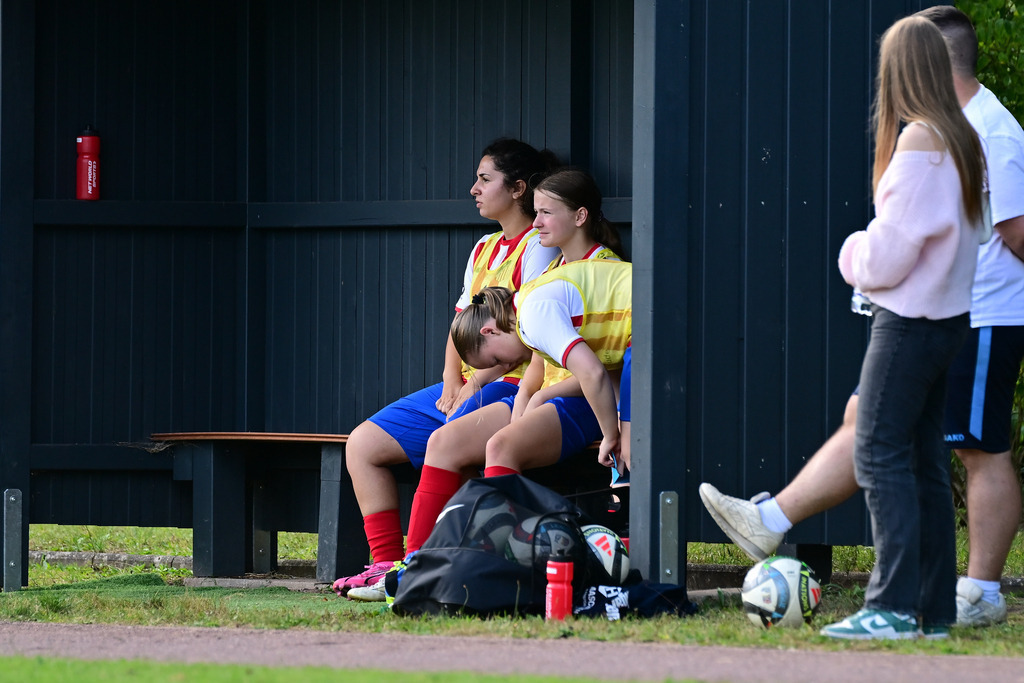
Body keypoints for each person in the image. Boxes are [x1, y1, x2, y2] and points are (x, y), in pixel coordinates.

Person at [698, 6, 1024, 629]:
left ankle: (891, 606)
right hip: (948, 320)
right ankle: (927, 610)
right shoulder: (960, 137)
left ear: (901, 70)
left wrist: (851, 252)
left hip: (910, 322)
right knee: (922, 457)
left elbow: (891, 250)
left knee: (879, 454)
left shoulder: (923, 139)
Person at [345, 169, 628, 601]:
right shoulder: (551, 269)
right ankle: (413, 568)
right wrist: (524, 406)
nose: (535, 223)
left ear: (580, 216)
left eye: (546, 213)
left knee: (497, 447)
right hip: (552, 395)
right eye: (535, 213)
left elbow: (605, 369)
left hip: (590, 400)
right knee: (441, 443)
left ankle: (486, 568)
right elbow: (537, 361)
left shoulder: (604, 271)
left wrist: (546, 398)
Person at [331, 138, 561, 596]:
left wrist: (473, 382)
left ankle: (416, 568)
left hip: (514, 385)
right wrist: (450, 382)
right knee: (361, 444)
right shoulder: (483, 247)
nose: (474, 189)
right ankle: (386, 566)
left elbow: (525, 341)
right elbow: (461, 326)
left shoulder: (539, 246)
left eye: (484, 179)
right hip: (469, 382)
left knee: (446, 439)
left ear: (518, 189)